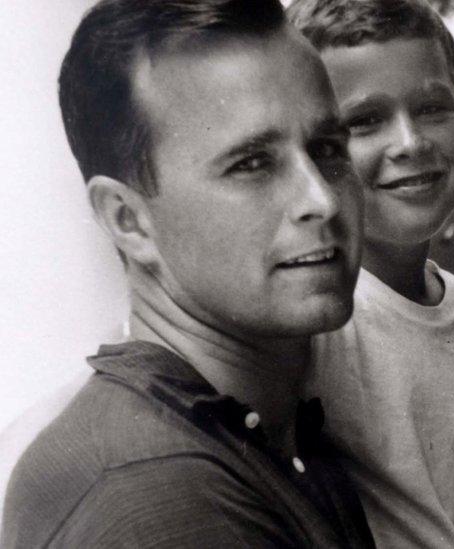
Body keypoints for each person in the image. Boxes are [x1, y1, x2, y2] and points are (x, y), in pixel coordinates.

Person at [1, 0, 374, 546]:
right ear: (129, 220)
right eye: (252, 164)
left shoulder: (264, 424)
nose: (321, 198)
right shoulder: (157, 497)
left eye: (327, 148)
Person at [286, 1, 454, 547]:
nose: (411, 142)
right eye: (365, 121)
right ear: (316, 147)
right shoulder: (315, 319)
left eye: (432, 108)